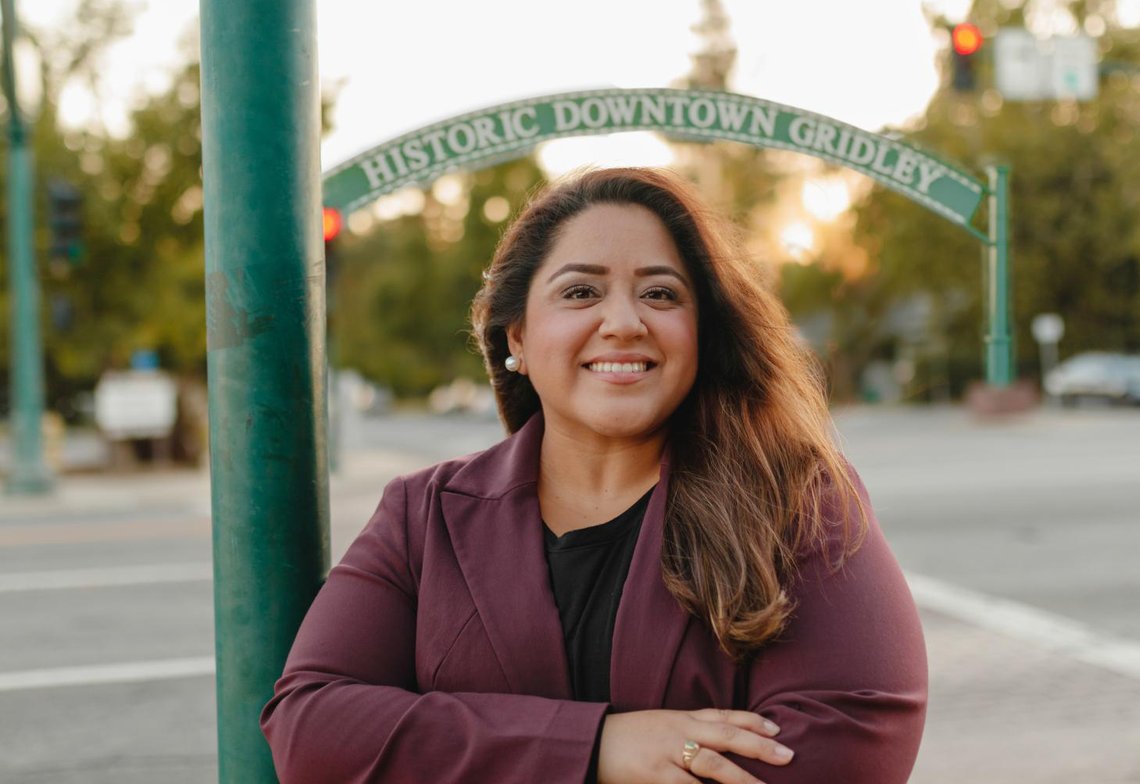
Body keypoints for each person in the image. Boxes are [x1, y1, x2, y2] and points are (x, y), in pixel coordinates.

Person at [261, 167, 927, 783]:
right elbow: (313, 728)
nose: (624, 322)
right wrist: (598, 747)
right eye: (581, 291)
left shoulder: (795, 499)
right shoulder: (423, 515)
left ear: (703, 331)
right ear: (516, 336)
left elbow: (849, 744)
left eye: (660, 294)